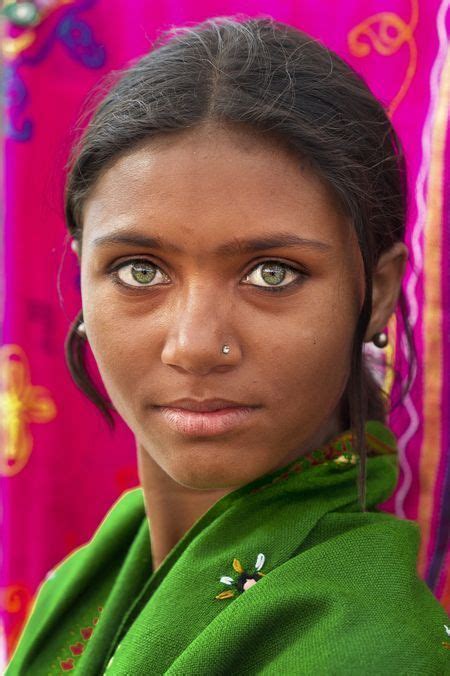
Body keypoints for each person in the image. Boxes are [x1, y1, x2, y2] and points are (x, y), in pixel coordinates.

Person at [6, 15, 449, 675]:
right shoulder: (88, 582)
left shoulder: (363, 650)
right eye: (140, 270)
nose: (193, 345)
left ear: (377, 291)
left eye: (272, 273)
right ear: (81, 276)